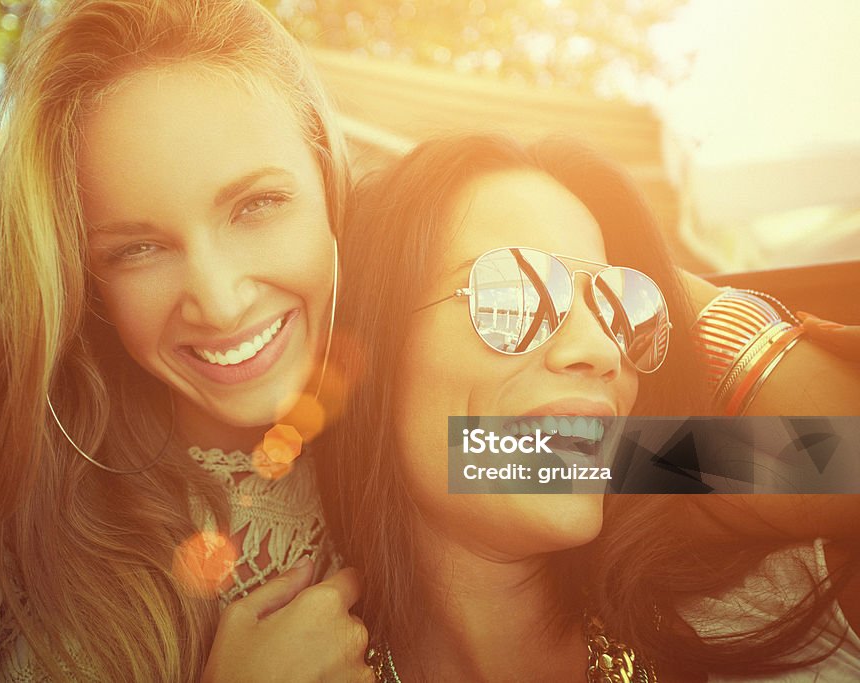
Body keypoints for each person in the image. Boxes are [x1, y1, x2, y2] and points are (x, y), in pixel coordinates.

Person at [0, 1, 371, 681]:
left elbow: (552, 457)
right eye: (140, 248)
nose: (218, 298)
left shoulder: (420, 426)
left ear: (331, 184)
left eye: (256, 205)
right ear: (88, 283)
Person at [316, 133, 860, 681]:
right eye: (511, 294)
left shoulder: (769, 622)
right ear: (374, 346)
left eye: (619, 307)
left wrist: (644, 458)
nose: (603, 351)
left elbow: (849, 456)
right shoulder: (271, 662)